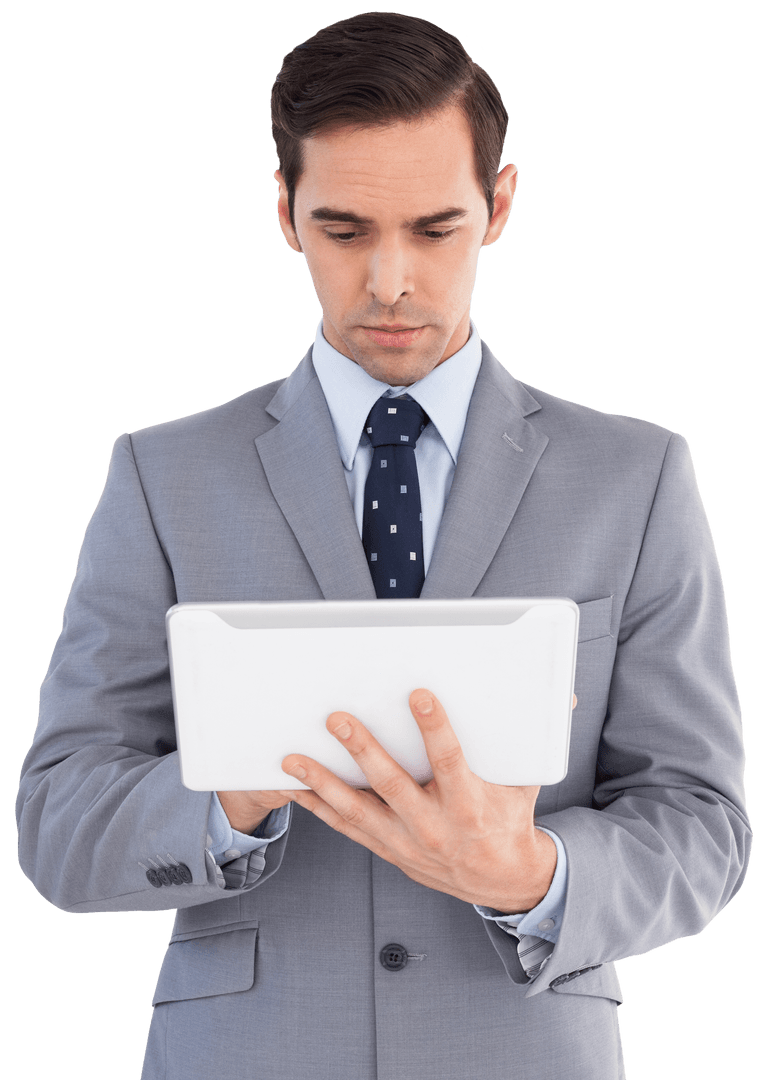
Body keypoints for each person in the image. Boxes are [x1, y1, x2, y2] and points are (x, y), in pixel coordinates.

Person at [15, 12, 750, 1080]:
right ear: (285, 216)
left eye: (435, 230)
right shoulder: (163, 474)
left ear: (498, 208)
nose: (391, 280)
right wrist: (231, 796)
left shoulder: (634, 477)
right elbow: (57, 824)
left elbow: (704, 823)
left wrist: (531, 871)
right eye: (346, 230)